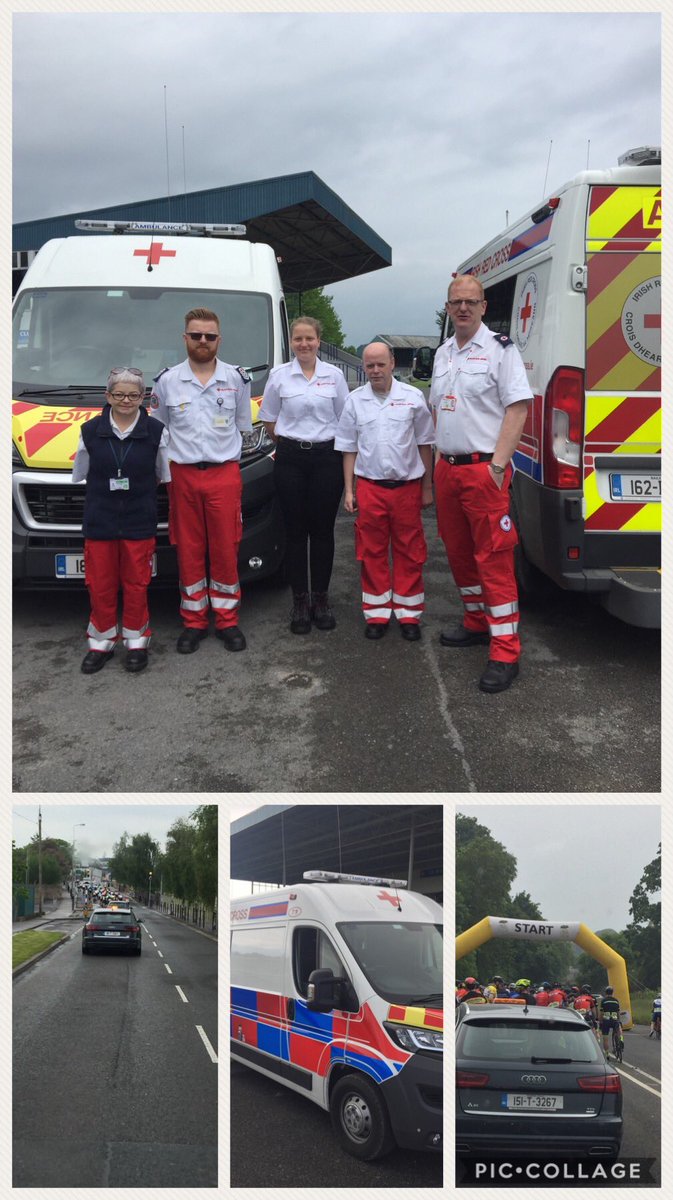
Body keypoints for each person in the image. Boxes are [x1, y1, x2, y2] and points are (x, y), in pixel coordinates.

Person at [429, 274, 533, 693]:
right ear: (448, 307)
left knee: (493, 558)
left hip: (482, 469)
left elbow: (518, 408)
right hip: (448, 469)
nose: (464, 308)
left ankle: (505, 649)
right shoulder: (442, 354)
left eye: (471, 301)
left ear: (484, 306)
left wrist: (497, 465)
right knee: (458, 554)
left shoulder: (500, 351)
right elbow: (440, 409)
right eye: (456, 302)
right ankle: (475, 621)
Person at [150, 307, 252, 653]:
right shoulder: (166, 382)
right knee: (189, 550)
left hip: (224, 475)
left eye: (210, 336)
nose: (203, 341)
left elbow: (243, 427)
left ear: (219, 339)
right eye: (196, 335)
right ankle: (193, 621)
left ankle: (227, 620)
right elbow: (159, 433)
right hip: (183, 477)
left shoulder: (236, 379)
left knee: (225, 548)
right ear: (185, 338)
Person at [72, 367, 171, 674]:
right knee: (100, 584)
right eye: (119, 394)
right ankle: (101, 642)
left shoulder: (156, 431)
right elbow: (81, 474)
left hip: (138, 520)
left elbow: (161, 475)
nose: (126, 400)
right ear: (108, 396)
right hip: (99, 520)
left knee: (136, 583)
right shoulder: (89, 431)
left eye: (133, 395)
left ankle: (136, 640)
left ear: (143, 398)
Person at [335, 342, 434, 640]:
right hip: (371, 487)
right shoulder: (354, 401)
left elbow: (425, 445)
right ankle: (377, 613)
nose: (375, 371)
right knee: (372, 552)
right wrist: (349, 490)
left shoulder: (413, 398)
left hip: (406, 488)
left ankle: (408, 615)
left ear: (392, 363)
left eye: (380, 364)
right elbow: (349, 449)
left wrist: (427, 487)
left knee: (409, 551)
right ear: (364, 367)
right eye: (369, 366)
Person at [258, 316, 349, 633]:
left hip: (327, 458)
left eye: (309, 338)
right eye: (298, 339)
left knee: (322, 531)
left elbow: (344, 419)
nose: (304, 344)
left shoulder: (334, 376)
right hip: (291, 459)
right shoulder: (279, 376)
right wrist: (291, 443)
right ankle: (299, 602)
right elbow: (269, 418)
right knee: (295, 532)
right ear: (292, 342)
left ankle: (321, 600)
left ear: (318, 341)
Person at [599, 986, 622, 1058]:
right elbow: (618, 1012)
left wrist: (600, 1022)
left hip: (606, 1020)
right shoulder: (616, 1000)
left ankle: (607, 1054)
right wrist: (619, 1020)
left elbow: (601, 1013)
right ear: (612, 992)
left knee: (605, 1038)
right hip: (614, 1019)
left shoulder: (604, 1001)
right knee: (618, 1030)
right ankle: (620, 1040)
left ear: (606, 992)